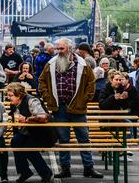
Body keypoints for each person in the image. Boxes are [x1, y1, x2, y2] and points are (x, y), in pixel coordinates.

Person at [38, 38, 103, 179]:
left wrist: (85, 99)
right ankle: (65, 168)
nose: (58, 51)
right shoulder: (51, 63)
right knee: (63, 140)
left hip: (78, 108)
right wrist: (48, 98)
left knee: (84, 139)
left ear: (70, 48)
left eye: (61, 48)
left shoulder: (82, 64)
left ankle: (88, 167)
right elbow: (41, 81)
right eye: (57, 49)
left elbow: (91, 83)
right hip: (59, 108)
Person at [7, 83, 54, 183]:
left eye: (11, 95)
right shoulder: (15, 104)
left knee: (29, 148)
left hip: (43, 133)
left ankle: (46, 173)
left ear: (19, 95)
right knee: (15, 141)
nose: (8, 97)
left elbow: (43, 116)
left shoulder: (31, 101)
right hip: (28, 132)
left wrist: (27, 119)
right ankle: (25, 172)